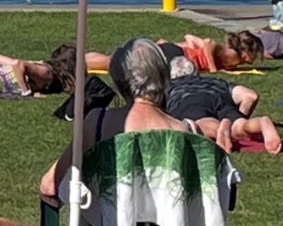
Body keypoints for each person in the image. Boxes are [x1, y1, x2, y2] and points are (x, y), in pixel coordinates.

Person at [41, 39, 212, 202]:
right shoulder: (186, 131)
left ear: (119, 81)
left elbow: (49, 186)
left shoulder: (97, 124)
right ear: (163, 76)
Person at [165, 56, 283, 153]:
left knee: (202, 123)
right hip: (220, 98)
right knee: (240, 125)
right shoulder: (215, 82)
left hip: (187, 100)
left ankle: (218, 131)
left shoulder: (169, 86)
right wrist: (238, 115)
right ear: (195, 71)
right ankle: (260, 123)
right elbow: (250, 96)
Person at [158, 30, 262, 72]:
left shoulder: (235, 59)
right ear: (247, 51)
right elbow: (209, 42)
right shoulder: (233, 54)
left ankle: (162, 44)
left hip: (183, 56)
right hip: (184, 56)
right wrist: (213, 68)